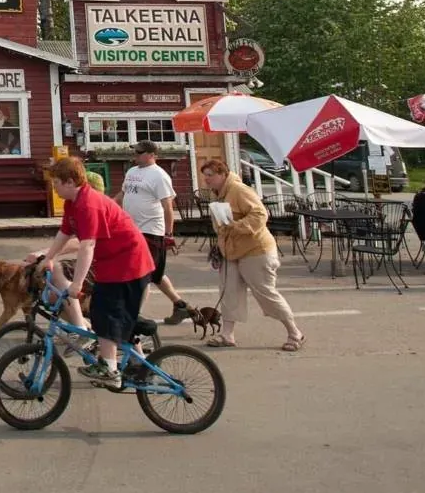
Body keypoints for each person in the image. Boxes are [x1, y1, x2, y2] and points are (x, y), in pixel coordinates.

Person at [35, 156, 154, 391]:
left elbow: (87, 245)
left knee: (105, 313)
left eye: (56, 182)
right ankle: (139, 365)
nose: (53, 187)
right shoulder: (73, 203)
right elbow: (64, 233)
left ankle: (109, 369)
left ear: (70, 182)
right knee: (112, 314)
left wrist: (76, 284)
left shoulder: (89, 204)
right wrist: (48, 258)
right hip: (113, 264)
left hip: (129, 263)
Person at [201, 158, 305, 351]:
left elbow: (260, 215)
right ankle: (227, 334)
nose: (207, 180)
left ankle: (294, 332)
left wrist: (235, 226)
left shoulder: (239, 190)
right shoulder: (217, 194)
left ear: (223, 174)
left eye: (210, 175)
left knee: (265, 293)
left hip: (256, 250)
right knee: (229, 291)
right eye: (205, 176)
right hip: (231, 251)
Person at [117, 141, 193, 325]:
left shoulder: (159, 175)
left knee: (143, 275)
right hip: (133, 229)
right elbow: (122, 195)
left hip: (151, 230)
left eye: (139, 152)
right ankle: (181, 305)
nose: (135, 155)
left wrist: (169, 234)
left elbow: (168, 206)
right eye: (134, 152)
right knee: (155, 273)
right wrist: (106, 207)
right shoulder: (132, 172)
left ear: (151, 154)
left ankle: (132, 316)